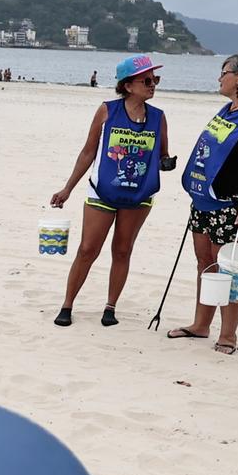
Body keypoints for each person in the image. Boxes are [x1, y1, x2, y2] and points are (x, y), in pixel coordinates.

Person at [48, 55, 169, 326]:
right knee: (88, 249)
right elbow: (89, 151)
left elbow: (162, 155)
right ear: (128, 86)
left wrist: (167, 162)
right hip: (101, 191)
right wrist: (68, 188)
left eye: (155, 80)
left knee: (123, 250)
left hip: (139, 196)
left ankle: (110, 308)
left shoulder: (159, 118)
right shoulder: (107, 110)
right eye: (147, 80)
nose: (153, 85)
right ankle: (67, 305)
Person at [170, 52, 238, 354]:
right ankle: (201, 324)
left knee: (229, 268)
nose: (220, 78)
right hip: (205, 201)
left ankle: (228, 334)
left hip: (233, 203)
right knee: (205, 263)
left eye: (224, 72)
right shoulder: (227, 109)